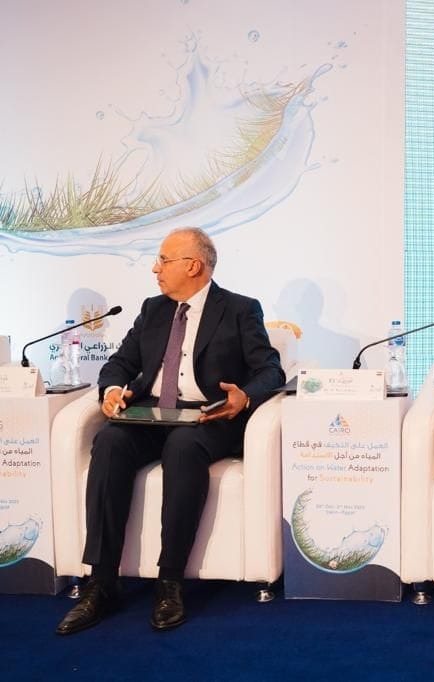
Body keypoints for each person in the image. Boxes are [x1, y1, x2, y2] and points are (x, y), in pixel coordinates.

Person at [55, 227, 285, 635]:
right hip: (152, 414)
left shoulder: (239, 309)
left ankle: (170, 581)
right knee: (109, 440)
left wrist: (244, 396)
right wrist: (112, 390)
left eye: (163, 260)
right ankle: (102, 582)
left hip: (208, 418)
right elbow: (120, 363)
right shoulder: (153, 309)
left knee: (183, 446)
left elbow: (271, 370)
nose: (155, 268)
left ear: (193, 266)